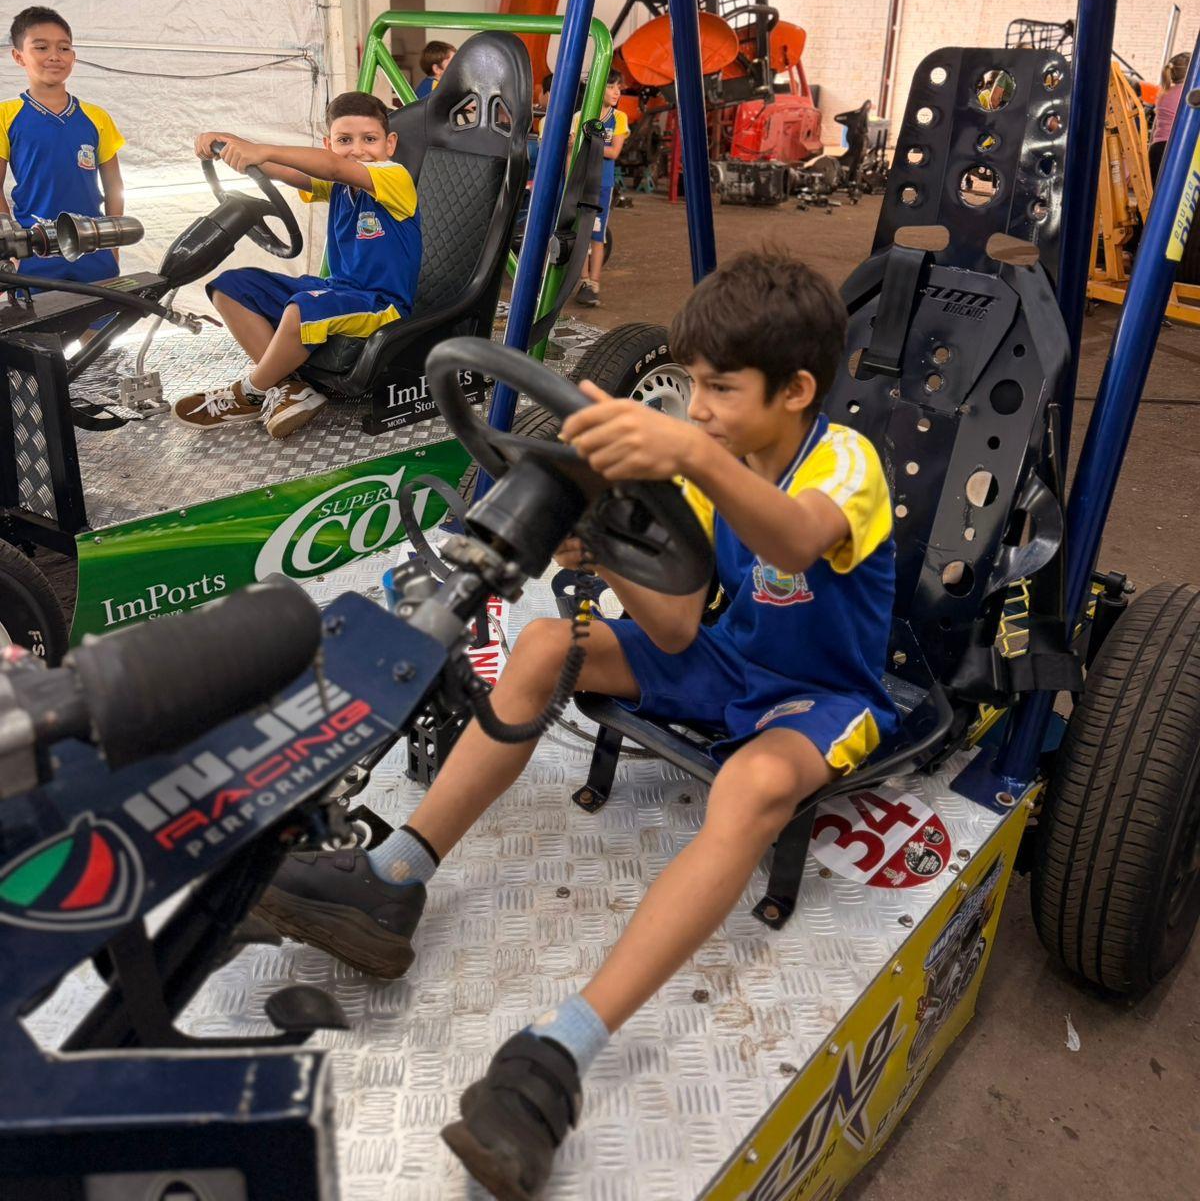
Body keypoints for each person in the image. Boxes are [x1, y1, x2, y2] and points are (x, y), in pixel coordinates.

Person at [256, 247, 897, 1199]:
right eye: (694, 388)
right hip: (721, 657)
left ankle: (559, 1053)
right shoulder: (708, 453)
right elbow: (677, 622)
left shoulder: (843, 464)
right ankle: (396, 875)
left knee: (753, 783)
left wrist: (690, 450)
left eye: (722, 389)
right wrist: (593, 531)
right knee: (545, 644)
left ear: (797, 390)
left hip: (820, 695)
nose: (702, 406)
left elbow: (794, 537)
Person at [171, 91, 420, 441]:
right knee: (230, 287)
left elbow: (332, 165)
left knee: (302, 309)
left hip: (381, 303)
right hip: (338, 290)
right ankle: (287, 389)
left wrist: (263, 147)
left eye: (370, 139)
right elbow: (290, 172)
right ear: (327, 143)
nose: (358, 149)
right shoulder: (338, 186)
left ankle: (250, 392)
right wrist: (231, 146)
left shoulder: (393, 177)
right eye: (344, 140)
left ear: (389, 144)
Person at [1, 6, 126, 284]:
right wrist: (10, 244)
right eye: (41, 47)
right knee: (39, 324)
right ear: (19, 56)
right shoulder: (5, 116)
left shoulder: (97, 117)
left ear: (74, 56)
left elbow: (114, 187)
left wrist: (113, 241)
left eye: (64, 48)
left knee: (98, 325)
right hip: (34, 250)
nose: (55, 56)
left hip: (93, 245)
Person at [575, 69, 628, 309]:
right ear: (597, 87)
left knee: (598, 234)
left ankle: (594, 284)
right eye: (611, 86)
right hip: (579, 182)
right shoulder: (580, 116)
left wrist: (588, 143)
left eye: (619, 87)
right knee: (580, 234)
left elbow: (614, 152)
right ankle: (583, 281)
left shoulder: (620, 118)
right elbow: (571, 154)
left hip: (602, 184)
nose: (617, 92)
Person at [1150, 51, 1190, 187]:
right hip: (1175, 150)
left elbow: (1155, 127)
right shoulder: (1188, 94)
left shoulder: (1163, 93)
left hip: (1157, 150)